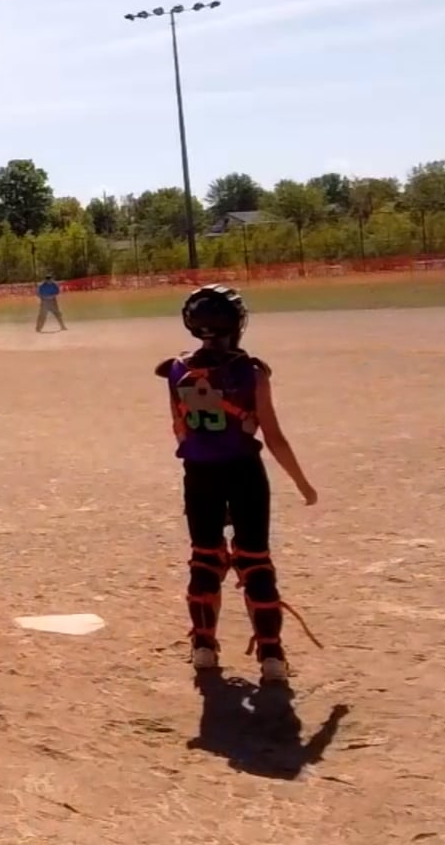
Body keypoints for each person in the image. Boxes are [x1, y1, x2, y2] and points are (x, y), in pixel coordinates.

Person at [154, 285, 318, 681]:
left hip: (199, 473)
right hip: (244, 471)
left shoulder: (176, 369)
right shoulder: (251, 372)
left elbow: (179, 428)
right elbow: (274, 437)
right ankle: (271, 655)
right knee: (255, 559)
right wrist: (302, 483)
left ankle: (203, 647)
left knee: (204, 556)